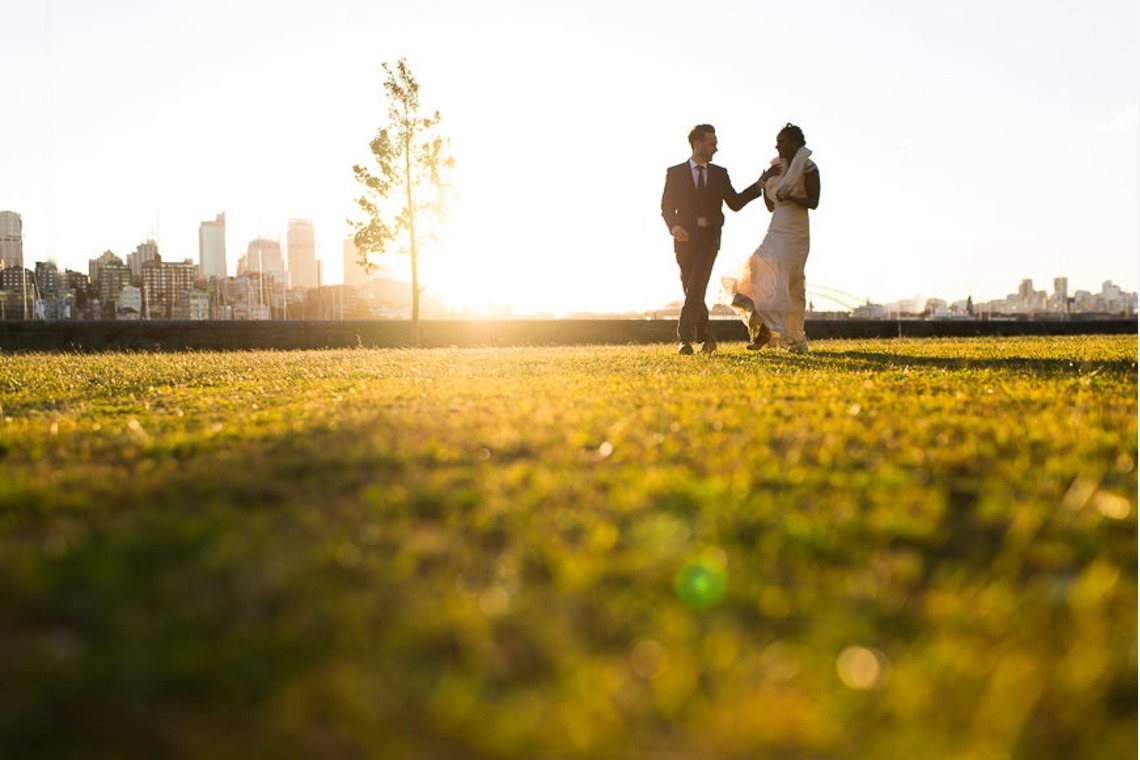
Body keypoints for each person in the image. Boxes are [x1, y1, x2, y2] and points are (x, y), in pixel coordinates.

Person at [661, 124, 769, 355]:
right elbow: (666, 207)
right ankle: (708, 339)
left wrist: (757, 187)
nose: (716, 148)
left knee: (696, 286)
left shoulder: (720, 174)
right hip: (683, 241)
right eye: (712, 143)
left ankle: (685, 339)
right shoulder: (675, 173)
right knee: (692, 290)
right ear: (697, 144)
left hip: (709, 240)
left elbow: (735, 203)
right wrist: (674, 226)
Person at [722, 123, 820, 353]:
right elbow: (770, 205)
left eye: (782, 141)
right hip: (776, 229)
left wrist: (790, 195)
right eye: (777, 142)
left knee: (790, 285)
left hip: (796, 234)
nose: (778, 146)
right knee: (757, 266)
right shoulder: (775, 167)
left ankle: (791, 337)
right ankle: (763, 329)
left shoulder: (808, 167)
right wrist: (765, 182)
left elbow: (813, 202)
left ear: (796, 143)